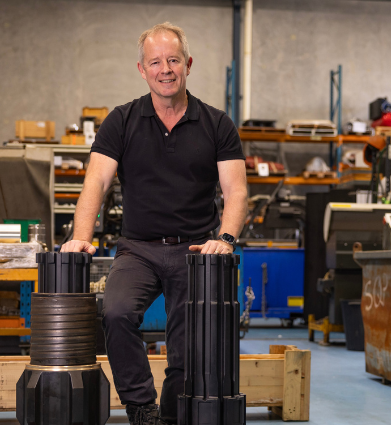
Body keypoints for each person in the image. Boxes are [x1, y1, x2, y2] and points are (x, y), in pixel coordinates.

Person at [59, 22, 247, 425]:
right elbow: (97, 180)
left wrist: (226, 239)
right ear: (142, 70)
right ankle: (141, 407)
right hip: (138, 249)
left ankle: (174, 413)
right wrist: (80, 237)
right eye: (155, 62)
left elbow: (236, 193)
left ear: (188, 65)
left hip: (195, 249)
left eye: (173, 60)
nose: (166, 69)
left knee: (187, 342)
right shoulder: (122, 121)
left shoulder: (217, 124)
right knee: (116, 312)